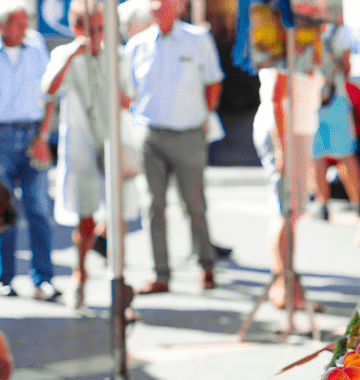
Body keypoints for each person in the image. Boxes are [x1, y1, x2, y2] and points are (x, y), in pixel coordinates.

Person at [42, 0, 136, 310]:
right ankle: (80, 275)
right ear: (77, 28)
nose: (97, 35)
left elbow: (128, 97)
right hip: (81, 141)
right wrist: (73, 54)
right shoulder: (65, 55)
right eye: (91, 28)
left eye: (101, 28)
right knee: (84, 213)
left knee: (118, 211)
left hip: (111, 139)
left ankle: (117, 277)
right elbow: (48, 90)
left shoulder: (117, 55)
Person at [125, 0, 223, 294]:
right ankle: (160, 272)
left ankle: (205, 264)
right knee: (152, 206)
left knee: (194, 204)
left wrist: (203, 117)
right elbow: (128, 90)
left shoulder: (198, 39)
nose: (159, 6)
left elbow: (213, 83)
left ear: (178, 7)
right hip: (151, 135)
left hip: (188, 134)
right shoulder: (137, 46)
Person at [254, 52, 324, 310]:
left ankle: (289, 286)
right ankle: (283, 286)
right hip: (285, 136)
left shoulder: (306, 44)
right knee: (284, 210)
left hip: (299, 133)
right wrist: (282, 148)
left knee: (291, 212)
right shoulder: (283, 47)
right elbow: (275, 101)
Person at [0, 0, 54, 300]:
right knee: (4, 212)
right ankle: (4, 278)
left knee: (38, 210)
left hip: (33, 137)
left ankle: (43, 278)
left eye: (26, 23)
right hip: (2, 138)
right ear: (3, 26)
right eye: (18, 24)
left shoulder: (37, 49)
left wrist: (43, 136)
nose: (25, 29)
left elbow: (49, 95)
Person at [312, 20, 360, 220]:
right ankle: (357, 203)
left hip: (311, 100)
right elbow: (347, 65)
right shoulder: (338, 31)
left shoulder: (302, 28)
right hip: (336, 99)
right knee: (345, 153)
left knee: (318, 156)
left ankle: (322, 204)